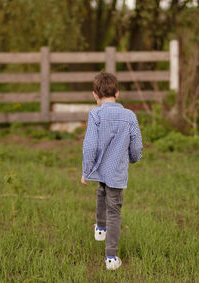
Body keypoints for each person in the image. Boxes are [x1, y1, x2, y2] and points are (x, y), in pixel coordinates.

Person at [81, 72, 143, 270]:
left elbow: (89, 146)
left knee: (101, 189)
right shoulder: (130, 116)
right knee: (114, 210)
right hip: (116, 171)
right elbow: (136, 146)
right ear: (117, 93)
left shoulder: (95, 115)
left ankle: (100, 228)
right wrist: (133, 159)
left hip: (100, 169)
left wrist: (86, 170)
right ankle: (110, 258)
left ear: (94, 95)